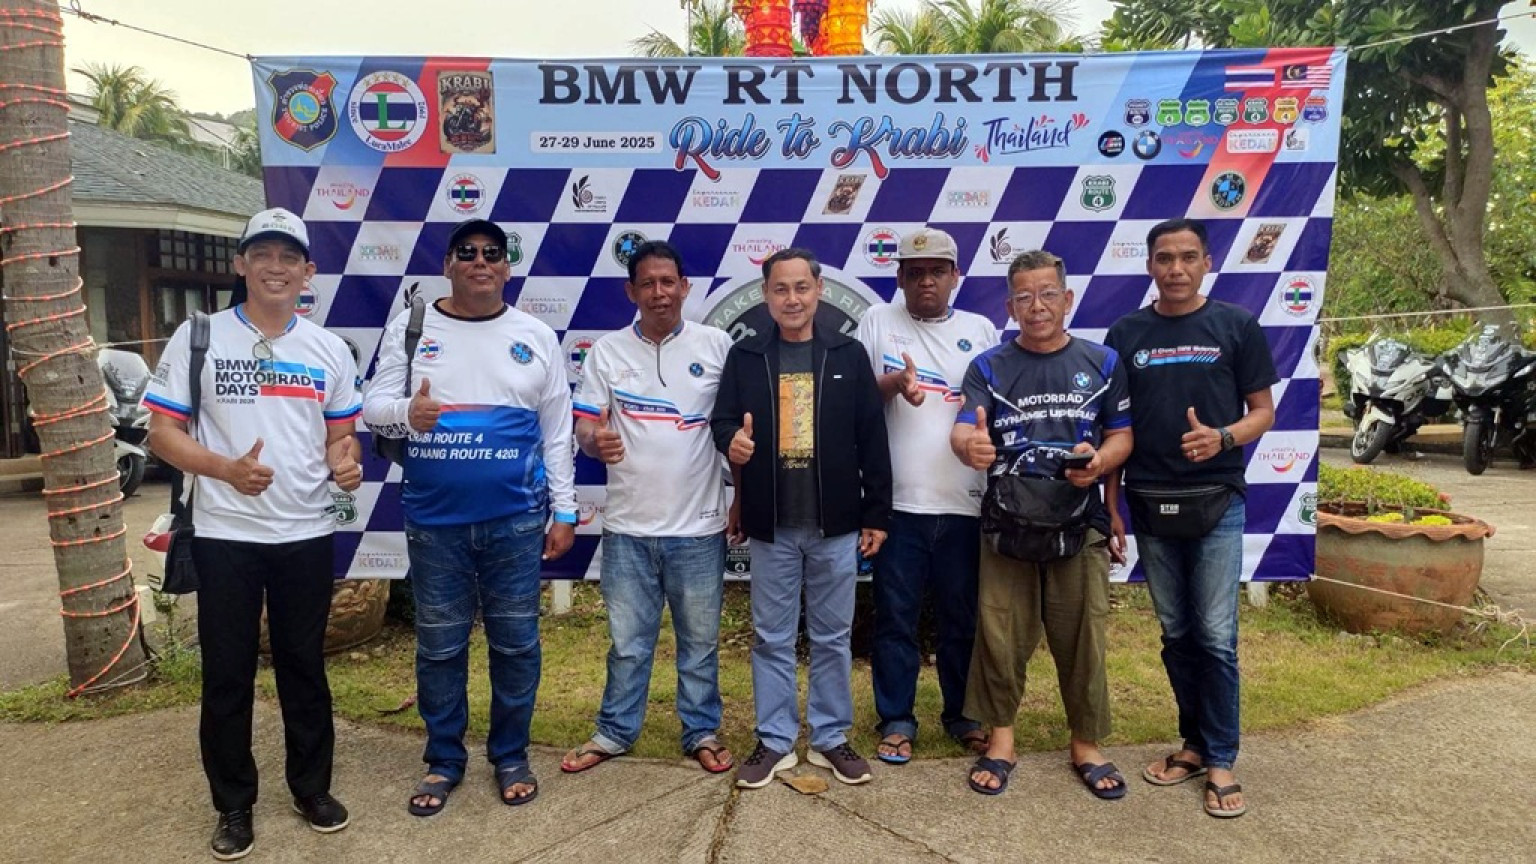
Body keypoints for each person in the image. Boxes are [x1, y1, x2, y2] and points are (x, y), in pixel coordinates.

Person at [145, 207, 362, 861]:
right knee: (227, 674)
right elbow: (162, 435)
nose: (275, 267)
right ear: (240, 264)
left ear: (308, 272)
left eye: (289, 257)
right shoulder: (200, 336)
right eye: (262, 254)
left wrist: (346, 462)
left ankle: (311, 790)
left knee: (304, 668)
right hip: (225, 534)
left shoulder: (328, 349)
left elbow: (341, 436)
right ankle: (233, 805)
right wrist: (226, 470)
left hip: (305, 532)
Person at [362, 217, 577, 816]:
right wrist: (409, 413)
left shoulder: (535, 334)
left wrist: (564, 510)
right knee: (439, 647)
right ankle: (443, 760)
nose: (480, 261)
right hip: (436, 522)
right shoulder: (412, 327)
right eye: (467, 252)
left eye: (492, 253)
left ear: (506, 267)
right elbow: (372, 408)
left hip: (516, 521)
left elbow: (557, 431)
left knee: (516, 645)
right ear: (448, 265)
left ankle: (510, 755)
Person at [1104, 218, 1277, 819]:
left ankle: (1222, 758)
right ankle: (1193, 744)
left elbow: (1263, 412)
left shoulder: (1236, 325)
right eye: (1164, 258)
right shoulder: (1126, 333)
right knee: (1176, 633)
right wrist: (1111, 507)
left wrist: (1222, 436)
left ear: (1207, 262)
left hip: (1217, 500)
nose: (1175, 268)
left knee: (1215, 637)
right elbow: (1115, 428)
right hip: (1149, 501)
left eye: (1187, 257)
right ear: (1150, 265)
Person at [951, 249, 1133, 798]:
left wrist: (1100, 462)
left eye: (1048, 294)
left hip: (1079, 523)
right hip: (1008, 522)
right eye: (1025, 297)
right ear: (1010, 306)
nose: (1037, 306)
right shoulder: (988, 366)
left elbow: (1122, 435)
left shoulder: (1102, 362)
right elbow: (963, 430)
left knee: (1083, 635)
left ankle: (1087, 744)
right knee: (1000, 633)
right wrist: (971, 446)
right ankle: (1002, 740)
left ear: (1067, 298)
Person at [710, 248, 892, 789]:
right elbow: (721, 421)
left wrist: (877, 513)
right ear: (766, 296)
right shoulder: (746, 357)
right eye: (781, 289)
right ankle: (775, 740)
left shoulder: (848, 354)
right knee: (772, 637)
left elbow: (872, 438)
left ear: (819, 291)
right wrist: (732, 441)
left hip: (836, 524)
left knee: (833, 636)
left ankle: (830, 737)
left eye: (801, 287)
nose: (792, 299)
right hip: (773, 525)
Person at [560, 240, 736, 775]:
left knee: (699, 645)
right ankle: (614, 732)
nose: (659, 292)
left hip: (699, 528)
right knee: (628, 645)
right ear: (630, 291)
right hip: (628, 529)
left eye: (668, 282)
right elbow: (586, 426)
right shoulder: (607, 352)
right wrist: (595, 441)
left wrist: (743, 499)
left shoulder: (718, 345)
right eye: (648, 284)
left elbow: (736, 429)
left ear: (685, 287)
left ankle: (701, 731)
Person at [854, 227, 997, 764]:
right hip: (899, 507)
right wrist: (893, 385)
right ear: (899, 278)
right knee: (895, 619)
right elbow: (852, 401)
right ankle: (896, 719)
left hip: (965, 504)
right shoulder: (878, 321)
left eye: (938, 271)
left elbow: (993, 409)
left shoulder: (980, 329)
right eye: (915, 273)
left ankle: (964, 715)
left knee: (962, 620)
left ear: (956, 276)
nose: (926, 281)